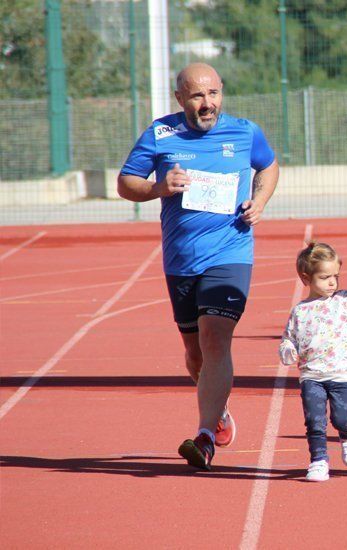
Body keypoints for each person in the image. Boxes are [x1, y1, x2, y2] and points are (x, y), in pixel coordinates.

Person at [118, 63, 279, 470]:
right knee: (194, 354)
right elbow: (125, 183)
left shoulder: (245, 132)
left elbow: (270, 166)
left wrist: (259, 201)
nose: (208, 104)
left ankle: (204, 436)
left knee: (214, 338)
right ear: (180, 99)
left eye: (214, 94)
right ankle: (219, 412)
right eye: (197, 96)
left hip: (230, 252)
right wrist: (159, 187)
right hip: (181, 260)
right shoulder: (161, 134)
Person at [279, 243, 347, 482]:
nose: (332, 282)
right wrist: (287, 350)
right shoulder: (299, 311)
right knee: (315, 421)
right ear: (306, 278)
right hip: (311, 376)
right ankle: (318, 460)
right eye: (325, 277)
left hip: (341, 374)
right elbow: (288, 338)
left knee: (342, 418)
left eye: (335, 276)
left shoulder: (345, 301)